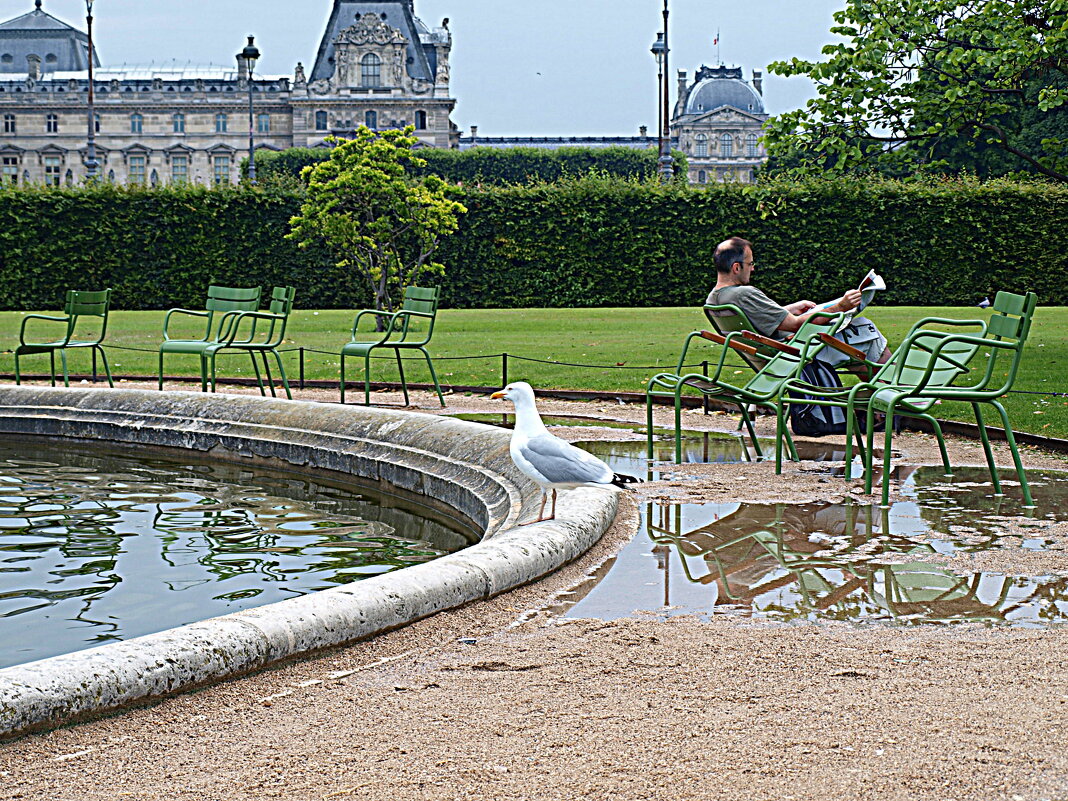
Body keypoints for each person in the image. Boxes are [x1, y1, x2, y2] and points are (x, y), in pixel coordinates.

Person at [706, 236, 891, 369]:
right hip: (793, 357)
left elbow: (758, 319)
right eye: (750, 264)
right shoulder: (744, 294)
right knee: (865, 329)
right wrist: (841, 307)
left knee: (854, 344)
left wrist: (787, 309)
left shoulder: (715, 298)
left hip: (772, 356)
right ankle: (894, 396)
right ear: (736, 267)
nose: (753, 269)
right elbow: (795, 325)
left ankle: (871, 407)